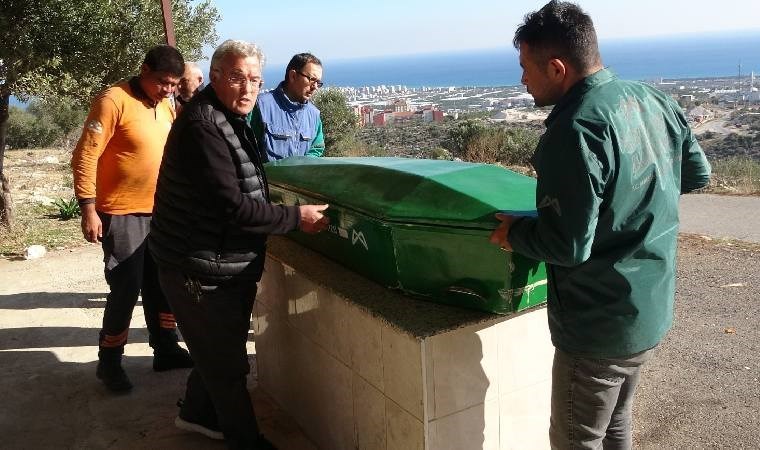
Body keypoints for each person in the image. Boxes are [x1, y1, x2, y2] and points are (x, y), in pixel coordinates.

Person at [488, 2, 711, 449]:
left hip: (598, 325)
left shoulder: (575, 129)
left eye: (525, 68)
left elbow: (567, 245)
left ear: (556, 67)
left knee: (577, 440)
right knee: (616, 425)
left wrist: (513, 234)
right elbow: (696, 175)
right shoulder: (654, 100)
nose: (522, 80)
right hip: (648, 309)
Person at [149, 39, 329, 449]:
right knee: (228, 367)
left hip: (218, 261)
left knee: (218, 351)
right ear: (214, 78)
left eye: (254, 79)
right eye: (236, 77)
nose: (247, 88)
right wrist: (295, 218)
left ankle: (195, 414)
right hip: (199, 267)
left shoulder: (226, 115)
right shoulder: (204, 125)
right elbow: (232, 206)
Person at [71, 45, 193, 393]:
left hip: (162, 211)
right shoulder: (114, 100)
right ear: (144, 70)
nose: (168, 89)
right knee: (126, 287)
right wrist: (88, 208)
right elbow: (85, 155)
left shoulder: (166, 104)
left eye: (173, 84)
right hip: (121, 212)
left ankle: (166, 347)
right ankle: (109, 362)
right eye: (162, 82)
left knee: (163, 281)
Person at [251, 52, 325, 160]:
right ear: (293, 76)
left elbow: (317, 148)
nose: (315, 87)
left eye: (318, 82)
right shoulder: (261, 106)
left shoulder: (314, 114)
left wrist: (302, 166)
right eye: (312, 80)